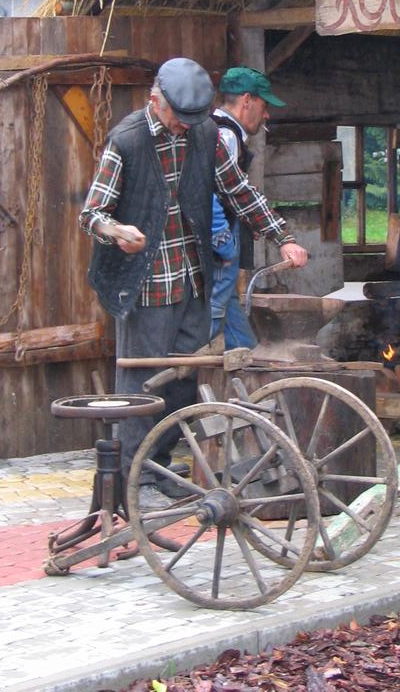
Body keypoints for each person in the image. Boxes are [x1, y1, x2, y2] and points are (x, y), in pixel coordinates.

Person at [79, 57, 308, 509]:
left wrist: (282, 236)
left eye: (193, 118)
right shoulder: (127, 140)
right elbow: (92, 214)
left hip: (191, 277)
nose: (185, 126)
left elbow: (239, 191)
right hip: (145, 283)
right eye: (178, 117)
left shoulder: (204, 134)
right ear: (156, 101)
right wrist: (116, 231)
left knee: (184, 379)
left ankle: (160, 466)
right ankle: (133, 480)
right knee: (141, 383)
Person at [210, 66, 287, 350]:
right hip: (217, 245)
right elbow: (225, 193)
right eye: (264, 106)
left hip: (222, 238)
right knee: (212, 314)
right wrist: (225, 245)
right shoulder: (225, 136)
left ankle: (246, 359)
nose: (266, 115)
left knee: (236, 331)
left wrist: (246, 223)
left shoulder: (222, 131)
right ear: (247, 100)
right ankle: (189, 370)